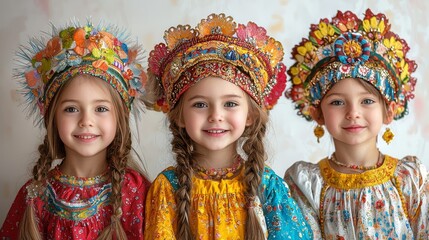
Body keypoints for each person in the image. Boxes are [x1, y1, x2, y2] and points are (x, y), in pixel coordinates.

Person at [142, 13, 312, 240]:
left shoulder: (269, 187)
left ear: (250, 115)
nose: (216, 116)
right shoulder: (167, 188)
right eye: (200, 104)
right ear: (180, 117)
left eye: (230, 104)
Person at [283, 9, 427, 239]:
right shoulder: (307, 184)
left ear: (388, 111)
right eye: (338, 102)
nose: (353, 113)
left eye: (367, 101)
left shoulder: (410, 179)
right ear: (317, 114)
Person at [0, 20, 150, 239]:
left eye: (100, 108)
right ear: (53, 118)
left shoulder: (135, 191)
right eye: (71, 109)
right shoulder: (35, 195)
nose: (86, 120)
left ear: (120, 118)